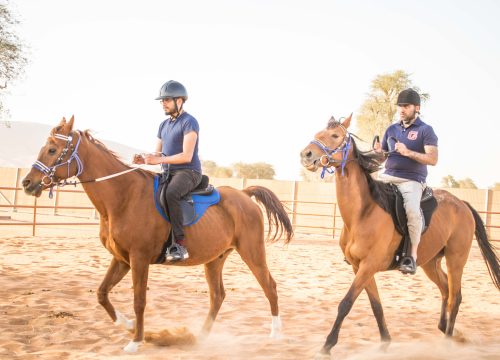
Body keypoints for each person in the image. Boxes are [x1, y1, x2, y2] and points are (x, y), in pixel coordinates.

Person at [133, 80, 202, 261]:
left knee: (171, 193)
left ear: (179, 101)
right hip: (168, 172)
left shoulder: (190, 122)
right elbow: (158, 152)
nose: (163, 103)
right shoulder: (163, 125)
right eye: (162, 100)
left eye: (167, 100)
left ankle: (179, 245)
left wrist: (159, 159)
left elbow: (187, 156)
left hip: (188, 172)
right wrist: (145, 158)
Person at [374, 88, 438, 275]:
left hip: (412, 181)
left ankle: (412, 257)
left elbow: (432, 159)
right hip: (387, 176)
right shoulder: (391, 129)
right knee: (366, 196)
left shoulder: (425, 130)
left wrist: (408, 152)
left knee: (412, 211)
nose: (402, 109)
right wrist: (378, 152)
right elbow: (382, 159)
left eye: (406, 106)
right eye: (400, 106)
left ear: (416, 108)